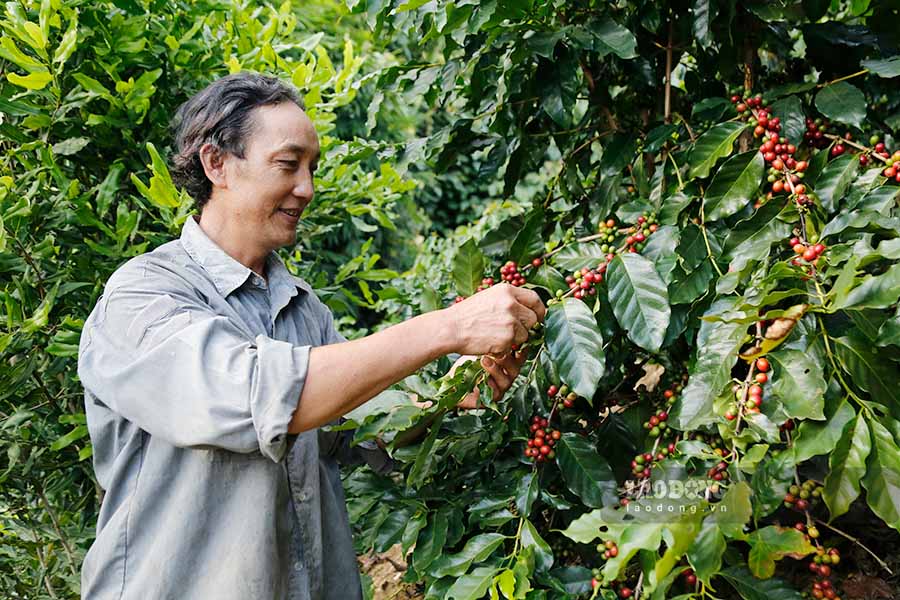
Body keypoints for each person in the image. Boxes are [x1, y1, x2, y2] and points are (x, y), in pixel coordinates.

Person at [77, 72, 545, 600]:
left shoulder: (303, 309)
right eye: (287, 164)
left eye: (311, 168)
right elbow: (262, 396)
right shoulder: (142, 298)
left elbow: (363, 425)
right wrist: (451, 327)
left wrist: (463, 393)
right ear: (216, 164)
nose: (307, 188)